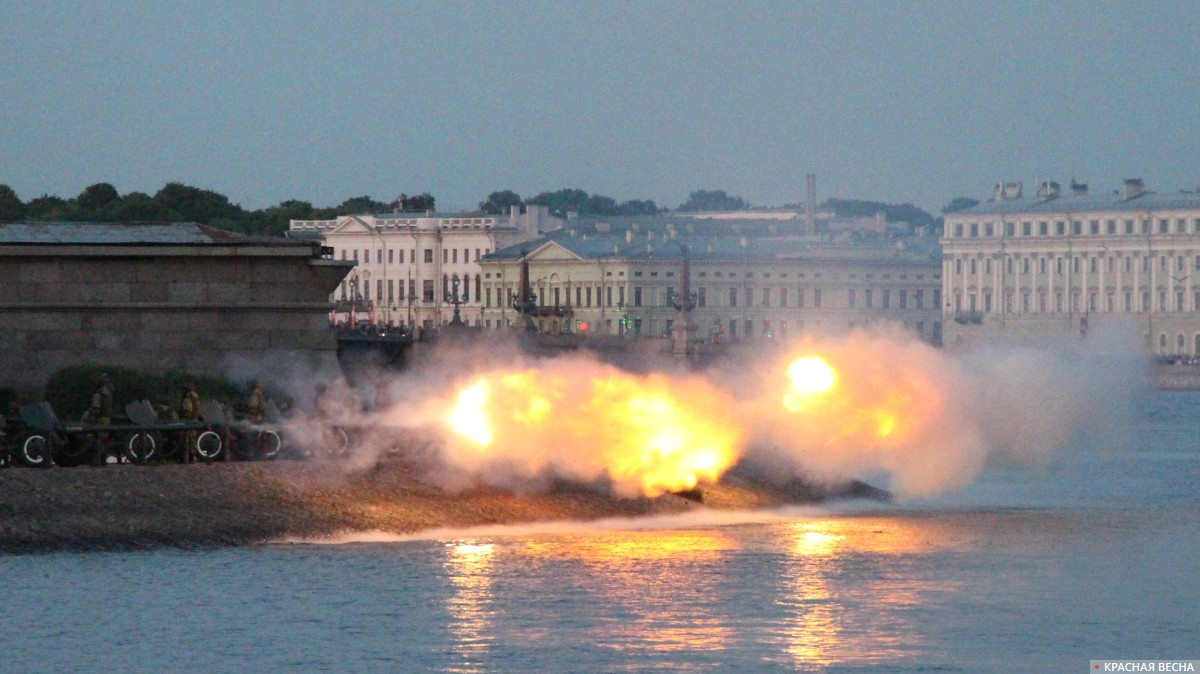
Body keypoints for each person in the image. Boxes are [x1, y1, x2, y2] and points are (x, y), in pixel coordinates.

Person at [84, 374, 114, 466]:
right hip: (106, 420)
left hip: (99, 420)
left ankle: (95, 461)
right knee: (103, 441)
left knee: (94, 440)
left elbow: (96, 408)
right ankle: (102, 460)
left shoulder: (98, 395)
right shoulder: (108, 395)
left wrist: (90, 419)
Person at [180, 383, 201, 463]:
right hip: (194, 420)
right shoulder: (195, 397)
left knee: (188, 438)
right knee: (192, 439)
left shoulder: (188, 397)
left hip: (189, 421)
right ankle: (192, 457)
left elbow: (188, 410)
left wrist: (184, 418)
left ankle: (189, 457)